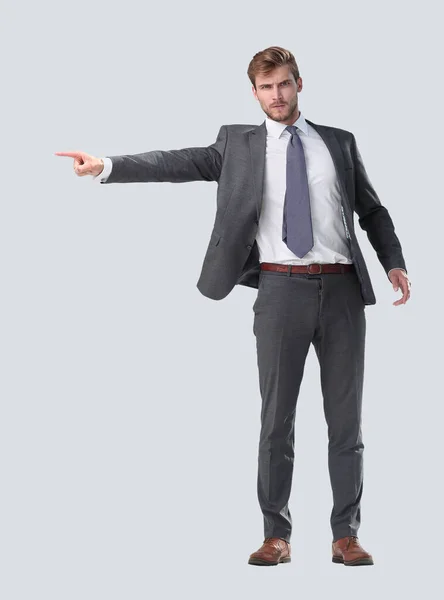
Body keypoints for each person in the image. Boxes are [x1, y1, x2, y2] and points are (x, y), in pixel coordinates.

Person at [55, 46, 411, 568]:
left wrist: (394, 261)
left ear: (299, 84)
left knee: (346, 423)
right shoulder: (237, 144)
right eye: (266, 88)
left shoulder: (337, 142)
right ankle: (276, 535)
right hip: (279, 292)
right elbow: (175, 162)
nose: (277, 95)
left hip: (340, 293)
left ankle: (345, 536)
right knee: (276, 421)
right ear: (254, 93)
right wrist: (107, 165)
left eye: (284, 84)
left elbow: (373, 209)